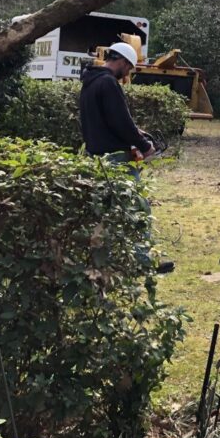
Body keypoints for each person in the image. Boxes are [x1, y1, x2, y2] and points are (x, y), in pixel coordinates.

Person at [80, 42, 173, 273]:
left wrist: (135, 131)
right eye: (129, 68)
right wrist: (144, 145)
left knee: (105, 211)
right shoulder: (108, 83)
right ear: (121, 62)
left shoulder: (90, 82)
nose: (127, 74)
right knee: (140, 209)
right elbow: (120, 121)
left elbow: (107, 120)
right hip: (116, 160)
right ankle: (143, 263)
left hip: (96, 156)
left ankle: (104, 261)